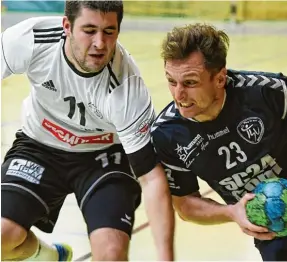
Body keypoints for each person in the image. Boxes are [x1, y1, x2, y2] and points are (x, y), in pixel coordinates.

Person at [151, 23, 287, 261]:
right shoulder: (167, 134)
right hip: (274, 237)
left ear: (219, 78)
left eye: (190, 83)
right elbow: (185, 204)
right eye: (171, 81)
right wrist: (231, 212)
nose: (178, 95)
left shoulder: (264, 91)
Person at [1, 1, 175, 261]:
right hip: (39, 146)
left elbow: (151, 179)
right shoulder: (31, 40)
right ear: (67, 26)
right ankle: (45, 256)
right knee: (3, 236)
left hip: (104, 157)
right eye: (89, 30)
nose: (100, 43)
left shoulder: (127, 88)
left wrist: (166, 257)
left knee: (111, 254)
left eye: (109, 31)